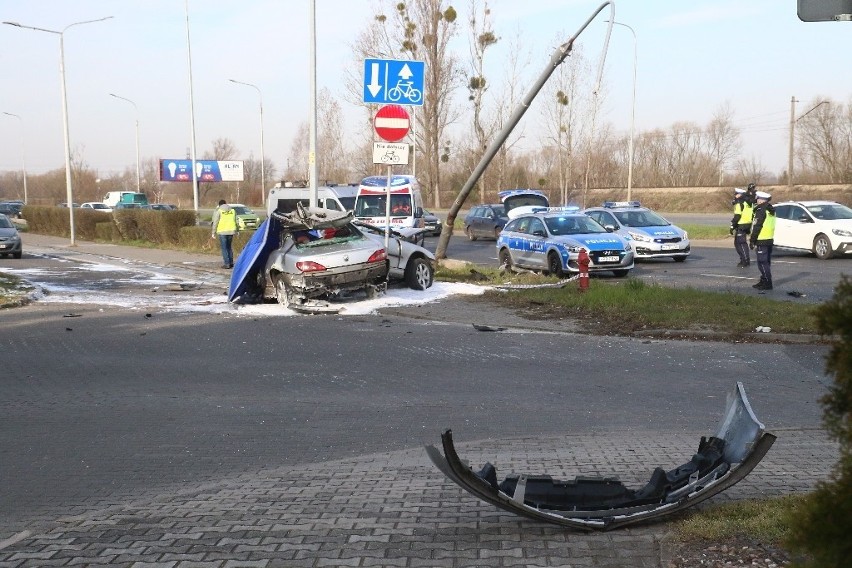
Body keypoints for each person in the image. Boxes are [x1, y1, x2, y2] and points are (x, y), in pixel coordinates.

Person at [749, 191, 776, 290]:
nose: (756, 200)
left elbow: (757, 226)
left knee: (762, 263)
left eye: (757, 198)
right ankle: (763, 280)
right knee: (766, 262)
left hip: (762, 239)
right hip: (769, 239)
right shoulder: (770, 209)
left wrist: (752, 240)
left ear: (761, 200)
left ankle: (767, 283)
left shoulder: (761, 210)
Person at [730, 187, 754, 268]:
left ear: (740, 194)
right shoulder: (748, 202)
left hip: (741, 224)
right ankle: (743, 259)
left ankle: (745, 261)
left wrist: (732, 225)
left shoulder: (739, 203)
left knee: (741, 243)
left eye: (736, 194)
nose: (735, 196)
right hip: (748, 224)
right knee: (738, 243)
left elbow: (737, 215)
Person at [211, 199, 238, 269]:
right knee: (229, 247)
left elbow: (215, 222)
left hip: (222, 232)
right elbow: (236, 221)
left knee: (224, 248)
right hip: (231, 231)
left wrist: (213, 233)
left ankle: (227, 263)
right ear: (226, 204)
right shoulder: (233, 211)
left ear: (219, 205)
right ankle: (231, 263)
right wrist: (237, 230)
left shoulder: (219, 211)